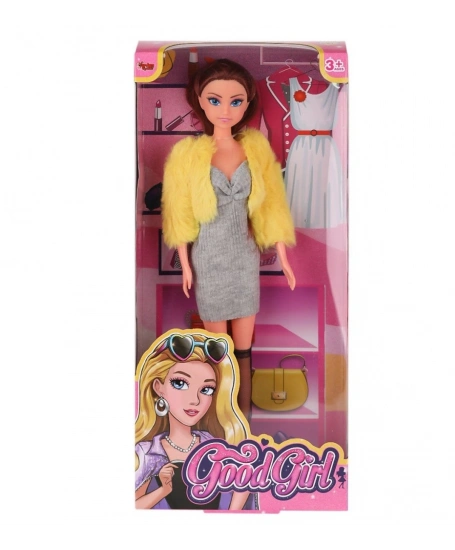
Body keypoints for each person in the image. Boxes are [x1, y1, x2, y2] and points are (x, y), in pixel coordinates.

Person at [161, 58, 296, 420]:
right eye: (215, 100)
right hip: (209, 259)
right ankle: (221, 422)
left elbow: (271, 204)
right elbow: (178, 212)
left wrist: (283, 256)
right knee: (218, 349)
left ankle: (245, 421)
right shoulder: (188, 155)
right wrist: (185, 265)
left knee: (244, 348)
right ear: (200, 102)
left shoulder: (255, 149)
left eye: (236, 101)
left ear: (247, 103)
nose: (225, 110)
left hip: (244, 259)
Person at [135, 330, 257, 510]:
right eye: (180, 383)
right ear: (158, 387)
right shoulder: (147, 453)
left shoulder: (215, 444)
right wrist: (163, 490)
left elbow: (244, 483)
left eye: (207, 389)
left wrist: (232, 514)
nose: (195, 400)